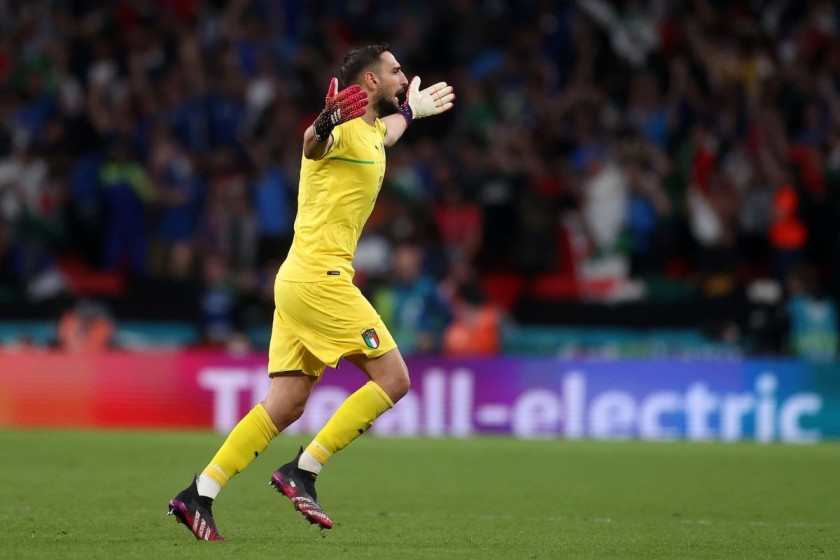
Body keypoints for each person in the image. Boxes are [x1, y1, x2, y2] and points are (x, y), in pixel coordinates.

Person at [167, 44, 454, 541]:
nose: (404, 75)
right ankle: (304, 469)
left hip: (297, 279)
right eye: (395, 71)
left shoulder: (371, 131)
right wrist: (321, 122)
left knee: (286, 403)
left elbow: (389, 131)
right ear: (368, 82)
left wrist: (412, 109)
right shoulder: (341, 128)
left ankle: (199, 494)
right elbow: (311, 144)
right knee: (394, 379)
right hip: (321, 279)